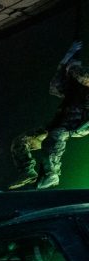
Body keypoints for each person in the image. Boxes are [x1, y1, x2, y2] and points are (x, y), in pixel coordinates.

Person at [10, 40, 89, 190]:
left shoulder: (83, 79)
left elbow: (82, 75)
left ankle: (52, 174)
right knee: (20, 142)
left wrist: (71, 66)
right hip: (58, 124)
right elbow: (54, 86)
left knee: (55, 137)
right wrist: (64, 63)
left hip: (79, 125)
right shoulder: (72, 87)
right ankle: (27, 172)